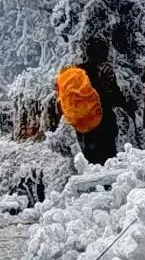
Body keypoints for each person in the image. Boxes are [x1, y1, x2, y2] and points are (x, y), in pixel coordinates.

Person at [50, 32, 122, 167]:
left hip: (85, 126)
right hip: (105, 123)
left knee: (91, 162)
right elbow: (116, 97)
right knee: (109, 161)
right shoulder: (105, 70)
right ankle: (108, 186)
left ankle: (95, 186)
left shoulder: (77, 73)